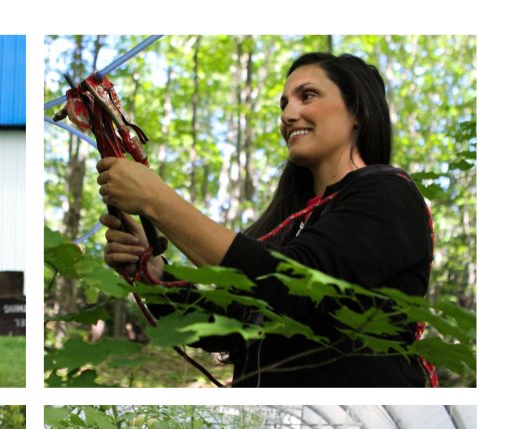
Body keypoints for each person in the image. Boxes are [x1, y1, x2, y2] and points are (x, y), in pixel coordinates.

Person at [98, 53, 433, 387]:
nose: (288, 114)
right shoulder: (288, 223)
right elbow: (227, 324)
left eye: (308, 96)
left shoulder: (389, 194)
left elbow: (291, 285)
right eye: (283, 105)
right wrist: (154, 273)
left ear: (357, 110)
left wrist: (157, 200)